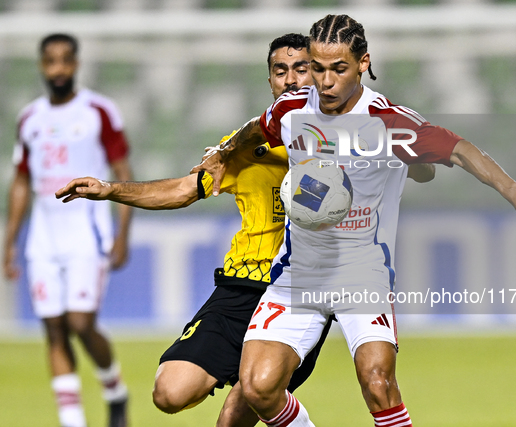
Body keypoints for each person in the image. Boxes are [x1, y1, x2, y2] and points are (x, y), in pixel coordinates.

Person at [188, 14, 516, 427]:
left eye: (339, 69)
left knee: (377, 383)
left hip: (362, 272)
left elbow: (459, 150)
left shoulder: (389, 121)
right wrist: (225, 154)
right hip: (300, 271)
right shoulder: (292, 109)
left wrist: (513, 190)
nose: (325, 81)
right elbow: (256, 129)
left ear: (363, 63)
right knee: (258, 386)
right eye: (317, 67)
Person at [55, 32, 436, 427]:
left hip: (305, 286)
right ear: (269, 80)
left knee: (239, 413)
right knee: (169, 393)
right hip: (242, 284)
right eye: (279, 71)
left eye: (301, 68)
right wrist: (109, 189)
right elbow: (184, 189)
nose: (290, 79)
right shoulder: (247, 144)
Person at [3, 34, 132, 427]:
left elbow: (122, 174)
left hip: (85, 233)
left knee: (79, 322)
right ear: (42, 66)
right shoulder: (30, 119)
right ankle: (72, 422)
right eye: (50, 61)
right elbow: (22, 181)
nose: (57, 69)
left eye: (64, 61)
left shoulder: (98, 111)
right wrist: (9, 240)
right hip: (42, 239)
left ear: (75, 65)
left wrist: (123, 233)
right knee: (54, 329)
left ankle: (114, 390)